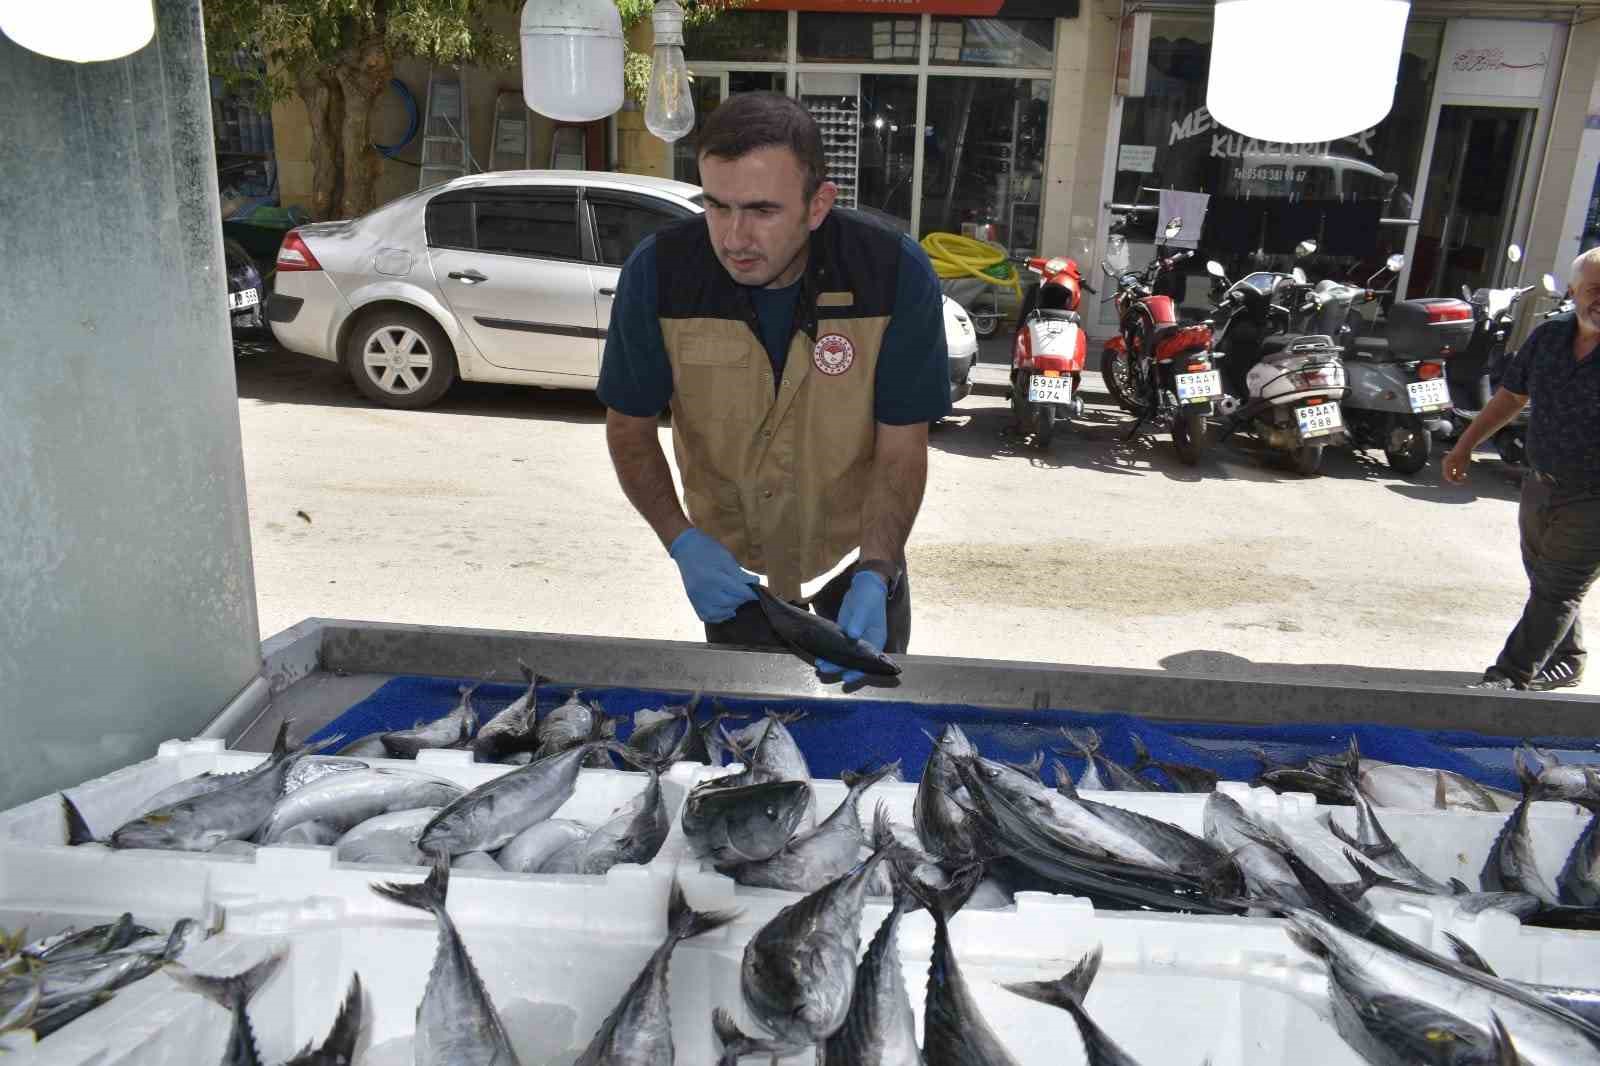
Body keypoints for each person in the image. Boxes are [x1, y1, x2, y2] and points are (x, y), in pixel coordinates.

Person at [597, 92, 950, 682]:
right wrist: (680, 540)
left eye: (762, 211)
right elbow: (628, 429)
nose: (734, 237)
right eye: (716, 205)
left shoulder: (893, 275)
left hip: (858, 568)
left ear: (818, 206)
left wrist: (878, 568)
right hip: (737, 584)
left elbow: (903, 446)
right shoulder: (658, 275)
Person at [1443, 248, 1600, 691]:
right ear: (1573, 291)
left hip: (1594, 497)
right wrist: (1464, 446)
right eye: (1594, 290)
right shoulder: (1548, 337)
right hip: (1541, 484)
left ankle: (1509, 676)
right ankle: (1568, 659)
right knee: (1545, 580)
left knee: (1559, 588)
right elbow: (1511, 397)